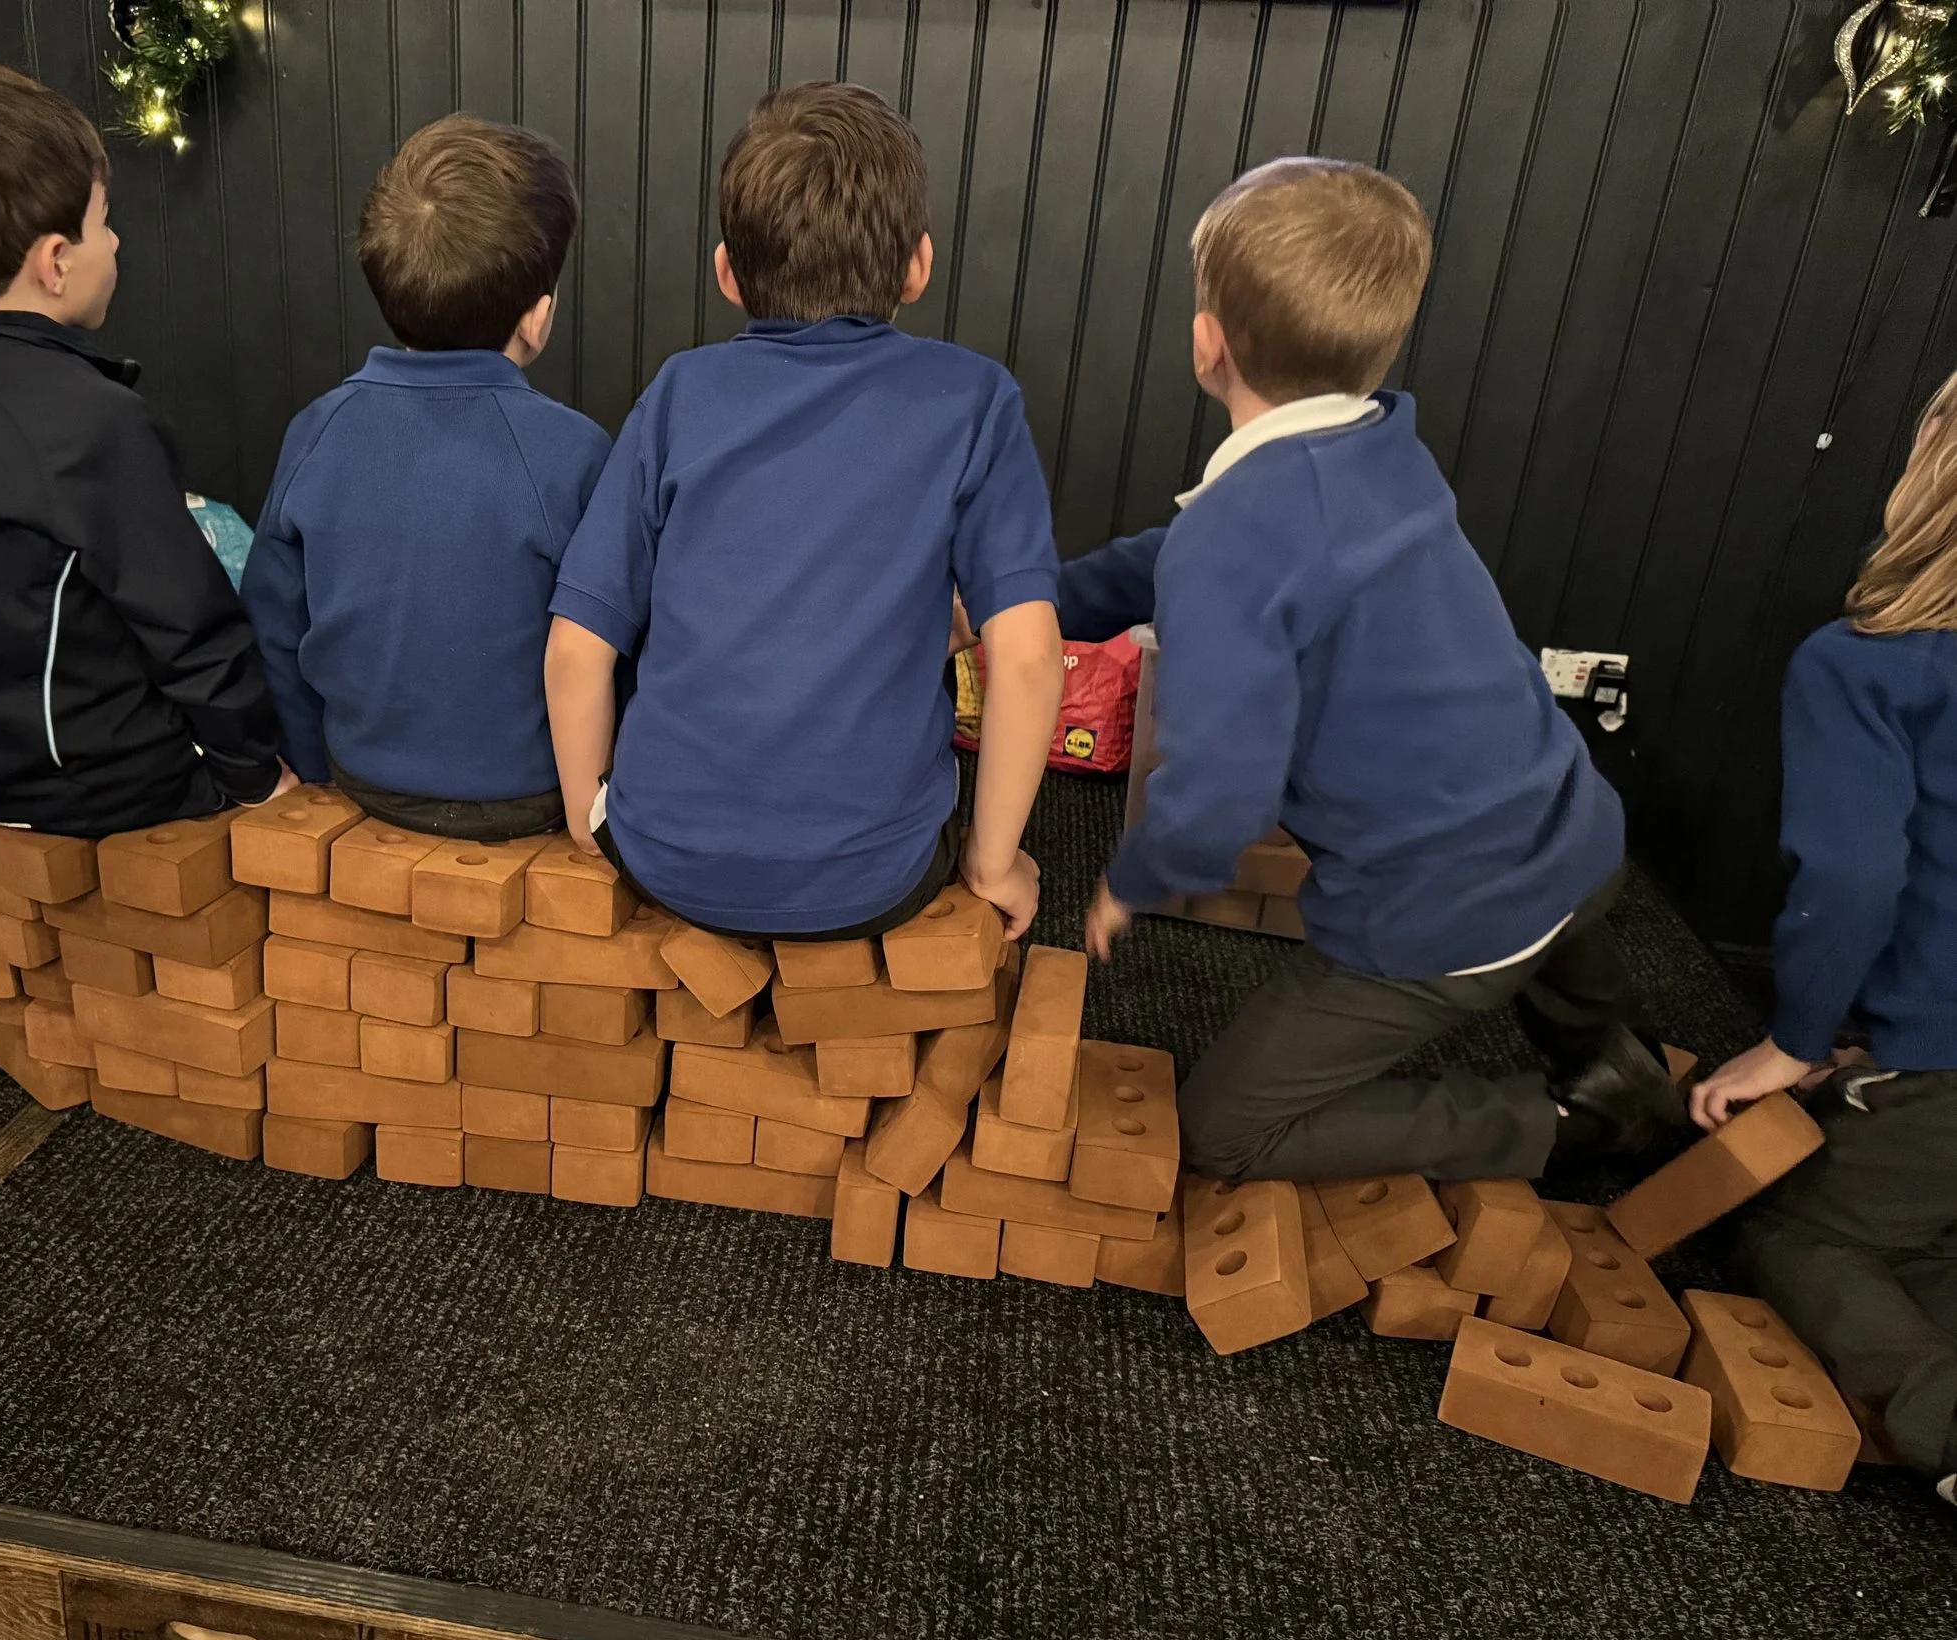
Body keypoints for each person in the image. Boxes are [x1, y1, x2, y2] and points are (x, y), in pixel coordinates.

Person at [1064, 157, 1680, 1183]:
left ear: (1204, 343)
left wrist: (1133, 878)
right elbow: (1189, 557)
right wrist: (1043, 600)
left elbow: (1220, 795)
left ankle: (1571, 1126)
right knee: (1552, 929)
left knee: (1223, 1131)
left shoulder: (1236, 538)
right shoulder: (1380, 442)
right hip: (1574, 836)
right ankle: (1616, 1051)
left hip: (1438, 910)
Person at [544, 82, 1065, 941]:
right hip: (876, 877)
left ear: (726, 273)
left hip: (658, 852)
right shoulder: (974, 401)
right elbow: (1029, 660)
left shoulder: (678, 393)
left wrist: (587, 816)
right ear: (918, 265)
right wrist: (993, 861)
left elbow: (577, 647)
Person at [0, 63, 283, 835]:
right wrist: (256, 775)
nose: (115, 240)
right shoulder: (89, 423)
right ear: (55, 261)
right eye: (103, 221)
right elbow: (192, 631)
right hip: (101, 785)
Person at [1695, 372, 1957, 1510]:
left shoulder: (1871, 662)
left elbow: (1852, 874)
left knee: (1800, 1236)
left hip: (1942, 1063)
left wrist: (1796, 1043)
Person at [242, 115, 608, 840]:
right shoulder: (577, 453)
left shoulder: (317, 430)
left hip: (363, 776)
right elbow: (610, 648)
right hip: (531, 791)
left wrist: (315, 766)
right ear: (538, 319)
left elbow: (271, 622)